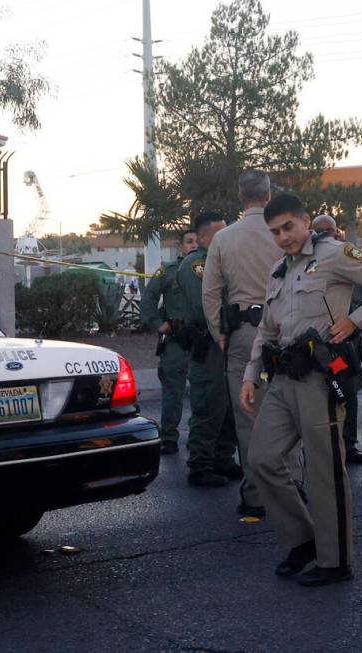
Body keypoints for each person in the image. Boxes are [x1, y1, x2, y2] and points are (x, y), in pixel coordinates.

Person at [238, 193, 362, 586]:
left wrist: (356, 320)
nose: (282, 237)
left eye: (288, 227)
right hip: (281, 377)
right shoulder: (278, 269)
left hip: (320, 375)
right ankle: (303, 540)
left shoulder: (332, 254)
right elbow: (267, 329)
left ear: (306, 221)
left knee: (324, 471)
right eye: (275, 231)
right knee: (261, 460)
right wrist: (250, 374)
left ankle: (335, 559)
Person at [202, 169, 298, 516]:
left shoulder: (223, 239)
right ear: (268, 195)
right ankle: (294, 485)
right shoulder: (286, 234)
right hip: (287, 331)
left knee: (249, 416)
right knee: (291, 410)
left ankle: (257, 492)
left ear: (241, 198)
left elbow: (211, 294)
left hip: (244, 333)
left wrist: (221, 336)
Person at [177, 211, 239, 487]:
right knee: (209, 405)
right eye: (217, 233)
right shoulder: (197, 265)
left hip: (226, 341)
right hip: (209, 342)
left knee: (228, 405)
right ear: (201, 237)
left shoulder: (221, 260)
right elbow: (206, 306)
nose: (224, 237)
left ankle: (223, 459)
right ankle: (200, 464)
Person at [311, 215, 362, 465]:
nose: (327, 236)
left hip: (344, 344)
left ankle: (349, 444)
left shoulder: (349, 257)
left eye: (331, 231)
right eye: (320, 232)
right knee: (318, 394)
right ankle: (322, 447)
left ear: (338, 232)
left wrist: (360, 318)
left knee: (348, 390)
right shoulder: (310, 261)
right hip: (319, 344)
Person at [140, 230, 199, 455]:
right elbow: (148, 300)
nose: (193, 246)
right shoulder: (168, 271)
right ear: (180, 246)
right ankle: (168, 437)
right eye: (189, 242)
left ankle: (198, 437)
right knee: (173, 391)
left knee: (202, 393)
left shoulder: (210, 268)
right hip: (175, 341)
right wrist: (158, 323)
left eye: (196, 241)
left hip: (201, 341)